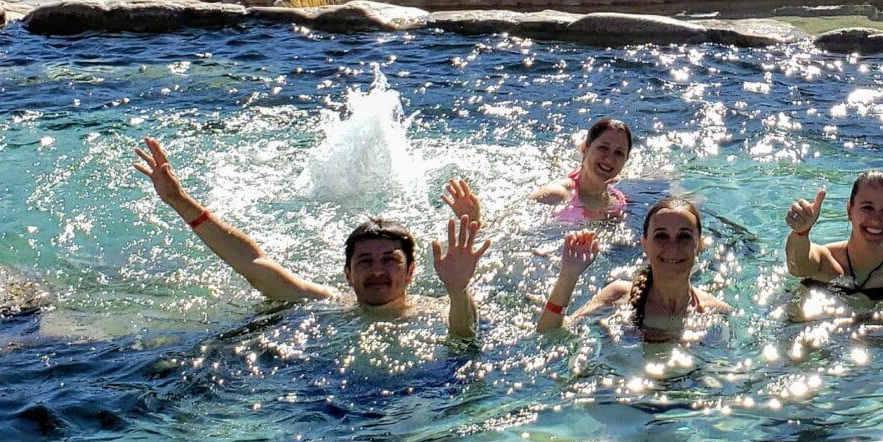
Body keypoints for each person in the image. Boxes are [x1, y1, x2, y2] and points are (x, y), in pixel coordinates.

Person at [135, 138, 486, 338]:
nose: (377, 270)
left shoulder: (434, 313)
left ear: (410, 272)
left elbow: (465, 337)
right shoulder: (325, 305)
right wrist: (178, 200)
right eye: (364, 261)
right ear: (347, 274)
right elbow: (252, 264)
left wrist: (458, 289)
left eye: (390, 261)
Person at [536, 197, 729, 343]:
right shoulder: (618, 296)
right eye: (661, 236)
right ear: (645, 244)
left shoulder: (716, 311)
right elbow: (550, 334)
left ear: (699, 245)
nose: (673, 247)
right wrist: (569, 275)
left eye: (684, 236)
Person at [785, 172, 883, 301]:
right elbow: (798, 267)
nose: (876, 219)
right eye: (867, 207)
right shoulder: (825, 260)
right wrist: (801, 232)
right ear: (849, 210)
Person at [528, 118, 635, 224]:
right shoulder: (555, 194)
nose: (609, 159)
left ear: (625, 160)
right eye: (603, 147)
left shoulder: (617, 203)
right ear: (584, 149)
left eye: (619, 153)